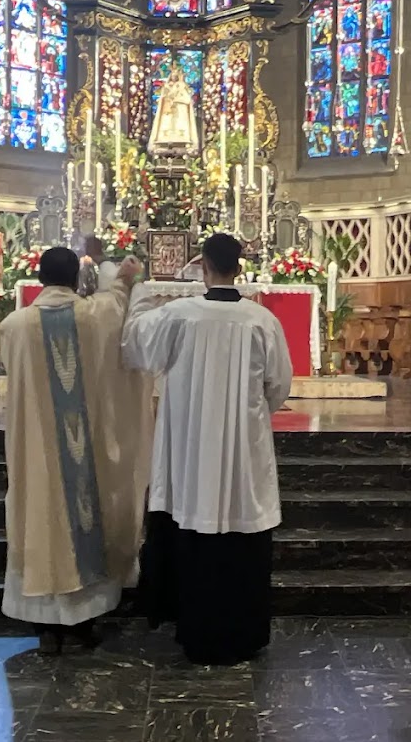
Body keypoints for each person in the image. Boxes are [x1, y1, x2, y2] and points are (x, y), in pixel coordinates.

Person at [124, 233, 293, 666]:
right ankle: (245, 632)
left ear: (203, 267)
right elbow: (279, 386)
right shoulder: (261, 319)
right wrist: (247, 417)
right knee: (241, 531)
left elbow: (138, 346)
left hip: (189, 448)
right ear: (239, 268)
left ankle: (193, 626)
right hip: (243, 451)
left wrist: (139, 295)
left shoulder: (178, 314)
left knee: (192, 521)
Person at [0, 248, 152, 652]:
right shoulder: (93, 315)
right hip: (83, 450)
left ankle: (45, 626)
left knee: (41, 515)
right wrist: (124, 277)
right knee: (86, 511)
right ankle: (83, 621)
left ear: (38, 276)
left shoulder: (14, 325)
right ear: (74, 279)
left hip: (37, 452)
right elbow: (118, 302)